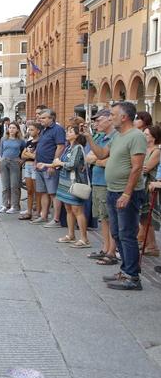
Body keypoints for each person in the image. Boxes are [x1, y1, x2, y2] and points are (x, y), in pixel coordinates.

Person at [87, 102, 146, 291]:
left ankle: (133, 276)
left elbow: (136, 167)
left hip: (126, 192)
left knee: (127, 234)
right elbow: (102, 153)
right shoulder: (118, 136)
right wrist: (88, 137)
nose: (110, 118)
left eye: (113, 115)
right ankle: (125, 270)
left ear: (124, 117)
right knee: (117, 233)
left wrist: (128, 193)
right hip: (112, 190)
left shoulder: (136, 136)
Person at [84, 110, 116, 263]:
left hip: (106, 182)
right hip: (97, 180)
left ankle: (111, 251)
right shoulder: (101, 137)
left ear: (110, 119)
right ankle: (105, 248)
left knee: (110, 218)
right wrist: (98, 160)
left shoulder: (114, 137)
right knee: (102, 218)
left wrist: (97, 159)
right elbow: (89, 156)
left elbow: (109, 161)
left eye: (99, 120)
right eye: (94, 121)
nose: (96, 124)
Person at [49, 125, 89, 247]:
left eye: (71, 131)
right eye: (67, 130)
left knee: (77, 210)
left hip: (74, 182)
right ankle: (71, 234)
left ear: (77, 135)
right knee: (68, 209)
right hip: (65, 182)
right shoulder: (68, 148)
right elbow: (61, 163)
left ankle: (84, 238)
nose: (67, 133)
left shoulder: (77, 147)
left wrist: (59, 162)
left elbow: (73, 164)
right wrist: (51, 164)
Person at [32, 108, 66, 226]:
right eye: (40, 118)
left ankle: (56, 219)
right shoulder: (44, 130)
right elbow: (40, 146)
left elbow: (60, 146)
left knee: (53, 193)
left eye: (43, 118)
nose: (40, 119)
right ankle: (44, 215)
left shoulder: (58, 129)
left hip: (49, 165)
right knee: (43, 192)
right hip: (40, 165)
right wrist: (36, 160)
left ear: (51, 118)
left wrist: (53, 164)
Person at [138, 125, 161, 257]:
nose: (144, 136)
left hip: (150, 186)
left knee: (148, 217)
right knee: (143, 217)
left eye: (146, 134)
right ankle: (147, 243)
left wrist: (136, 165)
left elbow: (146, 168)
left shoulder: (156, 151)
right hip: (142, 185)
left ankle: (152, 246)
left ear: (154, 137)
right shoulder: (144, 149)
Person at [0, 122, 25, 214]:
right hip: (4, 161)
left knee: (14, 185)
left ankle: (15, 205)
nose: (12, 129)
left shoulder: (21, 140)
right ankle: (5, 205)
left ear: (17, 129)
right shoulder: (3, 139)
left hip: (15, 162)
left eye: (14, 128)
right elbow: (1, 151)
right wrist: (1, 161)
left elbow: (23, 151)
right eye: (10, 128)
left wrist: (22, 160)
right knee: (5, 185)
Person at [18, 123, 41, 220]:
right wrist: (29, 154)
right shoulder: (29, 142)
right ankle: (29, 211)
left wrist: (28, 154)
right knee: (29, 191)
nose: (29, 131)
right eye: (29, 129)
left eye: (32, 129)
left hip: (35, 166)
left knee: (37, 191)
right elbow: (23, 155)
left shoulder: (40, 142)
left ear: (38, 131)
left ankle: (38, 212)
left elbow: (36, 156)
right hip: (27, 166)